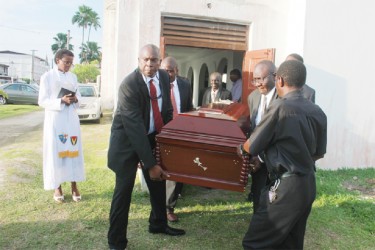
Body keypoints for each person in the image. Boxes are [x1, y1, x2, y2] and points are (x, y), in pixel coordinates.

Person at [239, 60, 327, 249]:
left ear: (279, 80)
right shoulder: (318, 111)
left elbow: (251, 146)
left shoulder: (280, 107)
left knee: (254, 243)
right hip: (308, 184)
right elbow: (319, 153)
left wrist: (240, 148)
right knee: (290, 243)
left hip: (285, 188)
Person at [107, 44, 185, 250]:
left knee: (159, 183)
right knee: (123, 192)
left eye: (153, 60)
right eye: (145, 60)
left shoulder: (164, 77)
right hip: (126, 142)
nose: (149, 64)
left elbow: (166, 110)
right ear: (139, 60)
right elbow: (134, 128)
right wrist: (149, 164)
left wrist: (166, 139)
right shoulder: (129, 85)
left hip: (151, 137)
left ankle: (158, 224)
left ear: (160, 61)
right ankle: (116, 241)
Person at [38, 49, 85, 203]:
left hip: (70, 118)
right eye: (66, 62)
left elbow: (79, 97)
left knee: (73, 151)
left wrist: (75, 99)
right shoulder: (47, 77)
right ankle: (57, 186)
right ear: (57, 60)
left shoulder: (73, 76)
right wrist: (60, 101)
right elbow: (42, 101)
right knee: (55, 152)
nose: (69, 65)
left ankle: (74, 185)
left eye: (71, 63)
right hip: (55, 119)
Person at [160, 56, 193, 222]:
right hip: (162, 133)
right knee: (163, 169)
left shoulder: (185, 85)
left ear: (177, 71)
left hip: (181, 133)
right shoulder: (156, 85)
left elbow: (188, 108)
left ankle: (170, 205)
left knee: (179, 169)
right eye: (164, 71)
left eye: (170, 71)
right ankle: (163, 206)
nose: (167, 74)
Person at [246, 60, 277, 212]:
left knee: (275, 202)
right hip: (257, 162)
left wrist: (261, 158)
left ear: (275, 76)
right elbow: (254, 130)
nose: (257, 83)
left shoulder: (283, 100)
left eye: (261, 78)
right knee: (258, 198)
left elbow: (277, 134)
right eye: (255, 79)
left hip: (276, 162)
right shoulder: (253, 97)